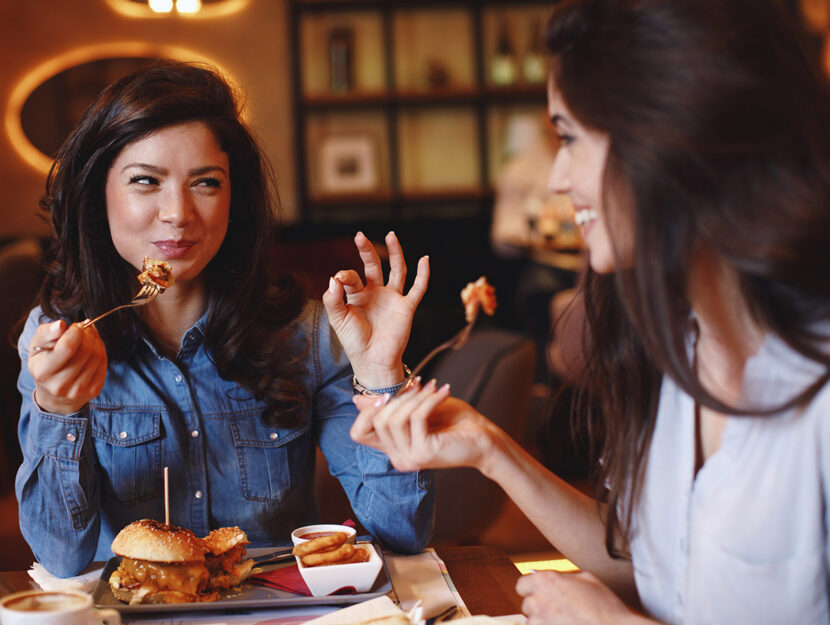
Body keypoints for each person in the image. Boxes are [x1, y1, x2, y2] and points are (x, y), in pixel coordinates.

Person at [349, 0, 830, 623]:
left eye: (569, 137)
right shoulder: (677, 348)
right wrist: (492, 450)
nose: (556, 177)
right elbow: (657, 571)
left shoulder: (815, 388)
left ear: (670, 139)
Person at [16, 60, 434, 578]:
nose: (178, 213)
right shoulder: (58, 340)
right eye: (145, 181)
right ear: (97, 194)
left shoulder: (305, 335)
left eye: (206, 183)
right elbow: (59, 558)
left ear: (235, 200)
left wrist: (380, 374)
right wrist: (58, 407)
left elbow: (401, 533)